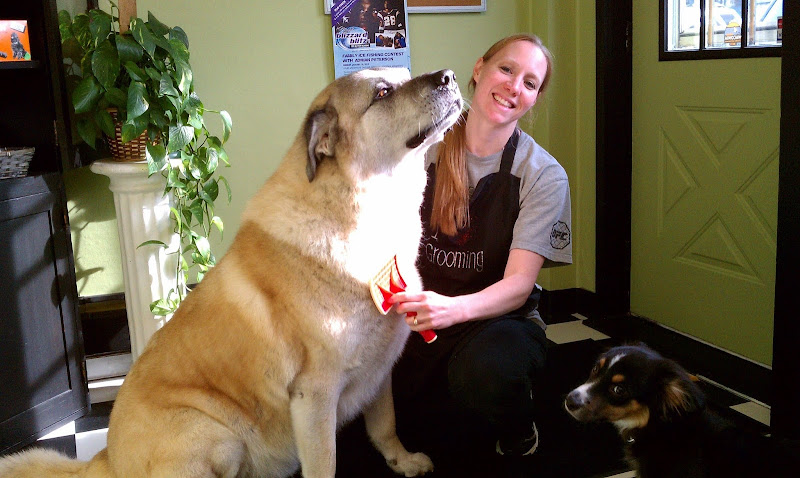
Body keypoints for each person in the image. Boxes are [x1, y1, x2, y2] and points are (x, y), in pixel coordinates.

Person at [389, 33, 572, 464]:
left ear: (534, 98)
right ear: (479, 68)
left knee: (486, 375)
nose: (514, 87)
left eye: (530, 83)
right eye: (506, 69)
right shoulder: (422, 147)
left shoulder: (543, 175)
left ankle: (519, 427)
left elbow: (518, 286)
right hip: (420, 311)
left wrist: (453, 310)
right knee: (407, 419)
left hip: (497, 320)